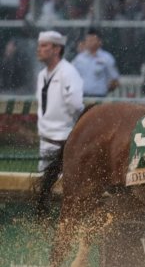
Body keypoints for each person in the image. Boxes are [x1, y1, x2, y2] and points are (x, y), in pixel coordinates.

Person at [35, 30, 84, 171]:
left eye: (44, 46)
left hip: (63, 140)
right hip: (45, 139)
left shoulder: (68, 72)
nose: (39, 49)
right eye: (39, 45)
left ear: (57, 49)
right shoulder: (42, 75)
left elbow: (75, 105)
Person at [72, 28, 120, 97]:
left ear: (99, 41)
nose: (89, 42)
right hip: (82, 97)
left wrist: (105, 91)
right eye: (88, 40)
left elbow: (115, 80)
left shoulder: (107, 58)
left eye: (92, 40)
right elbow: (70, 74)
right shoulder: (79, 58)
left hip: (99, 97)